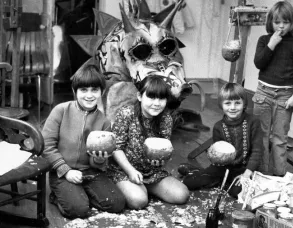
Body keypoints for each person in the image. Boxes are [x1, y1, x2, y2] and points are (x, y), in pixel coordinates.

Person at [42, 64, 126, 219]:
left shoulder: (104, 122)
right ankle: (59, 196)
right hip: (62, 172)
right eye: (84, 90)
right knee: (78, 210)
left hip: (90, 172)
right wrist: (66, 171)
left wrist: (99, 159)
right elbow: (46, 146)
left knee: (116, 203)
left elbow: (100, 162)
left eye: (94, 90)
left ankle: (81, 194)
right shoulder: (61, 110)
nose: (89, 95)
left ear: (102, 91)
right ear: (75, 91)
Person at [107, 75, 190, 209]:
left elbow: (164, 148)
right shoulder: (126, 113)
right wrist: (131, 172)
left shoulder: (166, 119)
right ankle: (133, 188)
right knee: (138, 201)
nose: (156, 103)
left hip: (152, 172)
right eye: (151, 97)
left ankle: (146, 187)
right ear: (140, 97)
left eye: (161, 98)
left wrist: (162, 159)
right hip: (124, 170)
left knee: (182, 195)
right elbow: (116, 148)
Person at [181, 83, 263, 198]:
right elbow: (218, 155)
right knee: (189, 183)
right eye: (228, 103)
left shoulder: (253, 122)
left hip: (244, 169)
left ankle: (218, 181)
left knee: (237, 193)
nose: (233, 107)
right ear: (221, 105)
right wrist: (214, 156)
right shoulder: (218, 127)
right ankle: (199, 173)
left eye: (237, 103)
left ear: (244, 104)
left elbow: (257, 151)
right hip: (223, 167)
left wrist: (247, 173)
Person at [252, 1, 293, 176]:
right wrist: (272, 44)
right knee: (261, 136)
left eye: (285, 22)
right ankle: (261, 175)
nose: (281, 26)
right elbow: (259, 63)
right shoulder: (264, 40)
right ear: (270, 22)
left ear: (292, 23)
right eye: (277, 22)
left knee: (280, 138)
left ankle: (279, 178)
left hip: (285, 96)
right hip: (263, 92)